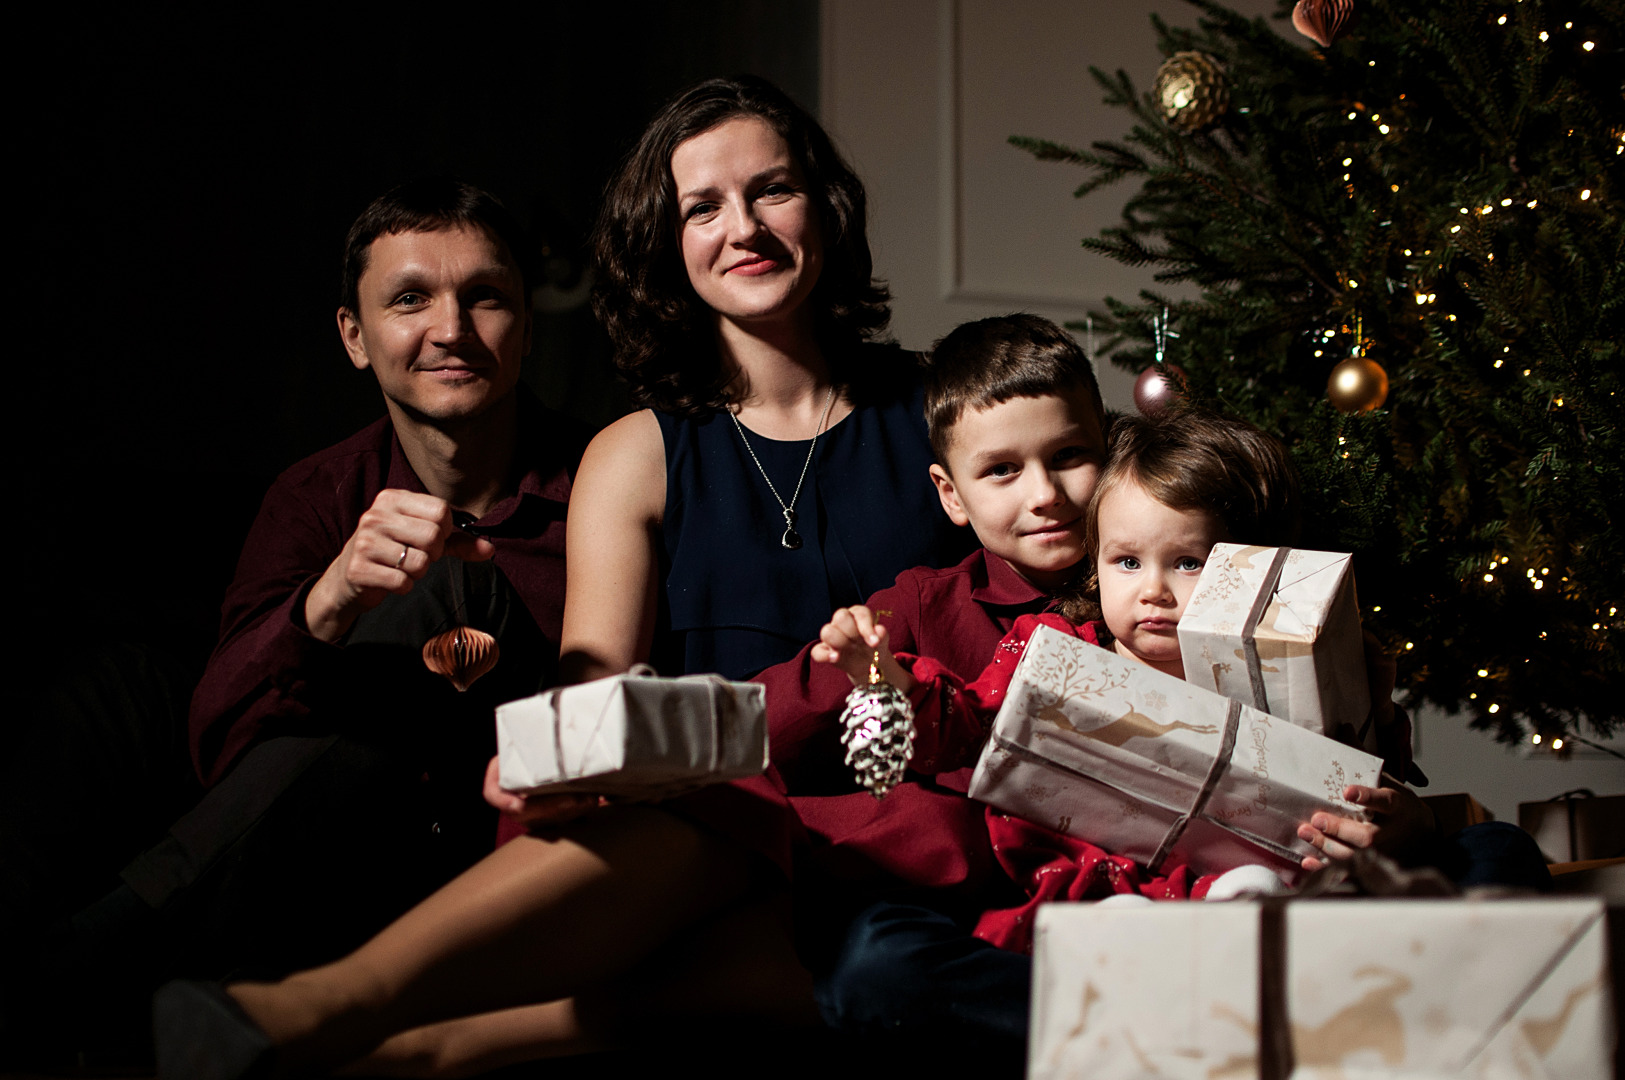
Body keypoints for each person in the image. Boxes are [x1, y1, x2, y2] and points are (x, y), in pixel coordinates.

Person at [152, 75, 972, 1079]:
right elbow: (597, 696)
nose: (743, 228)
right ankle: (314, 1009)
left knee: (855, 935)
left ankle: (403, 1045)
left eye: (773, 191)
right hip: (718, 836)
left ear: (825, 209)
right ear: (666, 243)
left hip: (920, 824)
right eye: (701, 208)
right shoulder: (634, 452)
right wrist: (556, 765)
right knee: (707, 818)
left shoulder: (946, 404)